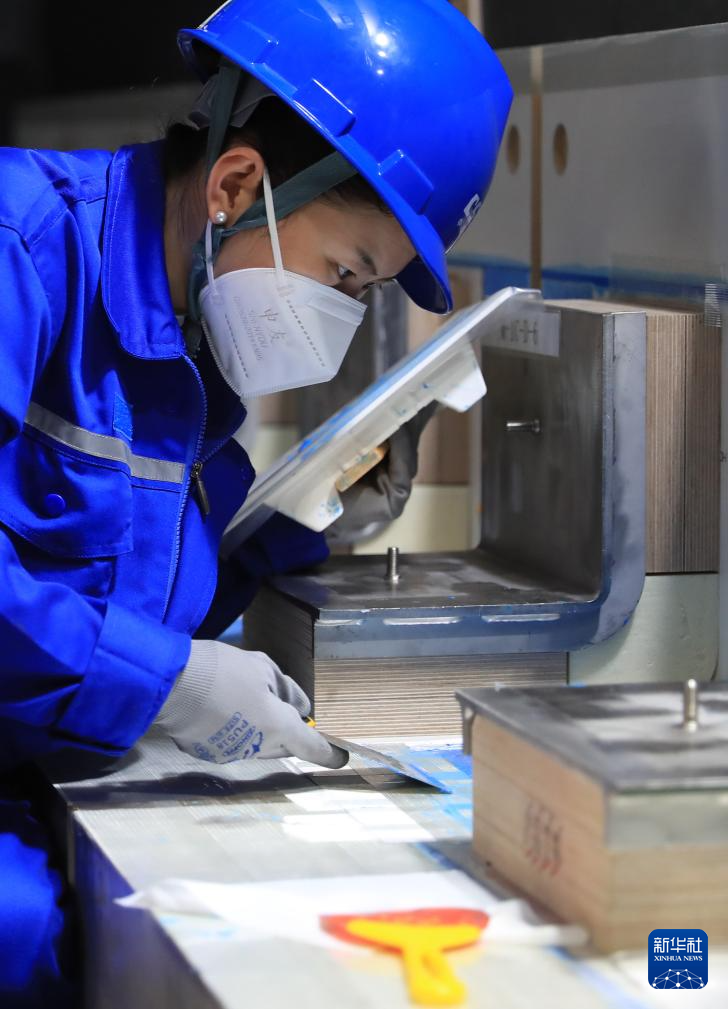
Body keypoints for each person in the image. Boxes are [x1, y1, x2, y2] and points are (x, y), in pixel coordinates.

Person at [0, 0, 512, 1004]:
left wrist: (307, 517)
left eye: (365, 291)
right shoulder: (21, 247)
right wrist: (166, 682)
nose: (340, 313)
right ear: (235, 185)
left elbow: (127, 585)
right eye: (345, 273)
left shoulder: (189, 348)